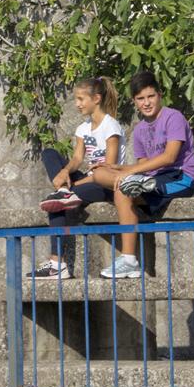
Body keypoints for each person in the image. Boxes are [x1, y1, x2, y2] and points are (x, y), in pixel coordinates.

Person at [98, 72, 194, 279]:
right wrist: (118, 169)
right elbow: (143, 165)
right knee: (110, 179)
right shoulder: (140, 130)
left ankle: (139, 185)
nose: (146, 103)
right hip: (151, 177)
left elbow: (170, 157)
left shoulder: (173, 117)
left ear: (160, 95)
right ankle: (129, 260)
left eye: (151, 96)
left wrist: (131, 171)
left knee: (126, 184)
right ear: (134, 101)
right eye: (140, 98)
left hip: (179, 177)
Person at [33, 77, 125, 279]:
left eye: (81, 99)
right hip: (89, 179)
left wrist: (75, 183)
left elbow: (109, 168)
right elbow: (76, 159)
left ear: (96, 99)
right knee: (49, 153)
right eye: (76, 99)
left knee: (58, 202)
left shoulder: (111, 126)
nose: (77, 104)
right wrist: (65, 172)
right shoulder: (83, 128)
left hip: (106, 184)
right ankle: (63, 191)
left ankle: (57, 264)